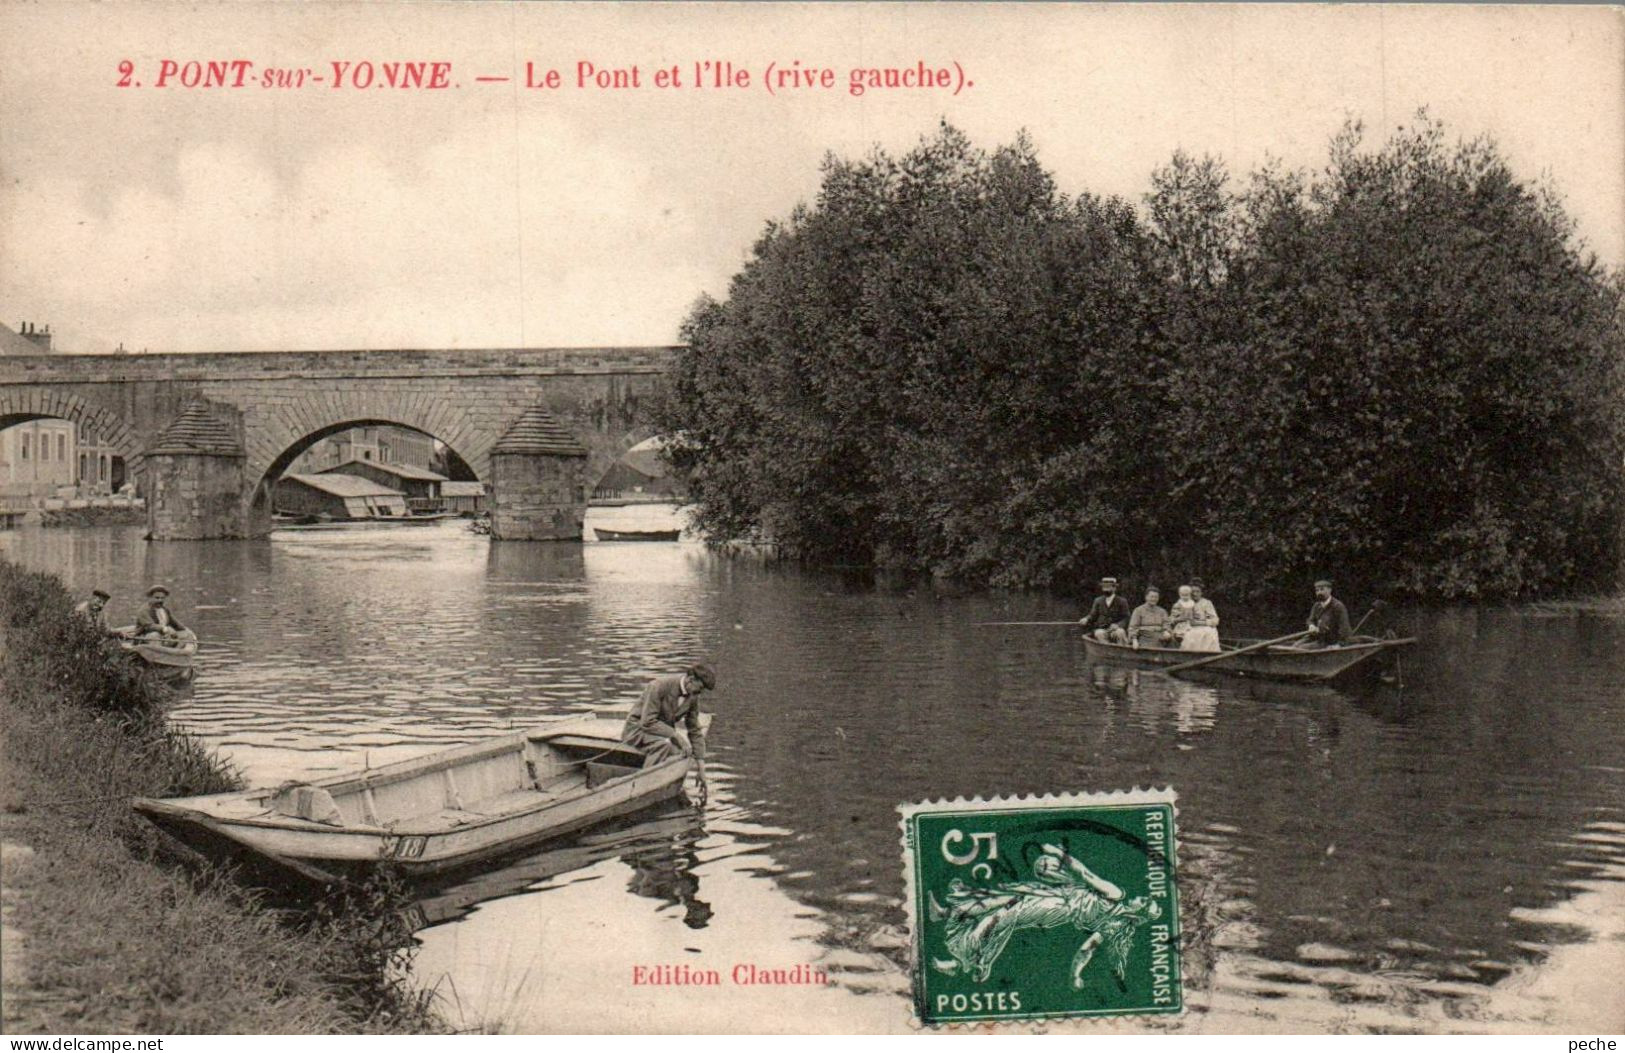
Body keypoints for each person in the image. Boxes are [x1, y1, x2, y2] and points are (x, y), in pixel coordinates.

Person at [622, 662, 716, 805]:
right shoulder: (658, 686)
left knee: (683, 752)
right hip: (637, 730)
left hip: (660, 733)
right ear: (690, 679)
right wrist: (675, 736)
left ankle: (657, 784)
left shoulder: (693, 696)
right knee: (664, 746)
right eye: (700, 689)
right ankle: (639, 787)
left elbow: (694, 731)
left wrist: (701, 769)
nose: (700, 694)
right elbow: (647, 722)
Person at [1079, 577, 1131, 644]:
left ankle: (1122, 651)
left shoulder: (1122, 601)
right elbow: (1092, 615)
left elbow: (1126, 618)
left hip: (1115, 629)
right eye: (1104, 587)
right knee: (1099, 633)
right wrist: (1086, 619)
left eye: (1108, 587)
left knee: (1120, 632)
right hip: (1102, 628)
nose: (1106, 589)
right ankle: (1107, 652)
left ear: (1114, 588)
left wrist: (1118, 625)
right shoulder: (1098, 600)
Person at [1305, 579, 1353, 647]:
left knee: (1302, 648)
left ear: (1329, 590)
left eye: (1322, 589)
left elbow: (1344, 628)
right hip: (1318, 638)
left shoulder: (1337, 606)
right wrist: (1311, 625)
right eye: (1317, 590)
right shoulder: (1316, 606)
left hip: (1331, 641)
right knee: (1296, 645)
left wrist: (1339, 644)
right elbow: (1310, 620)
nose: (1319, 592)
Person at [1180, 580, 1221, 653]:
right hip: (1189, 627)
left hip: (1204, 626)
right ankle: (1189, 655)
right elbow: (1187, 620)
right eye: (1193, 592)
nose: (1195, 594)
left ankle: (1207, 654)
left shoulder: (1206, 603)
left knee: (1210, 632)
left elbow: (1215, 620)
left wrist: (1205, 623)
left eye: (1197, 591)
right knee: (1190, 634)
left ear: (1201, 593)